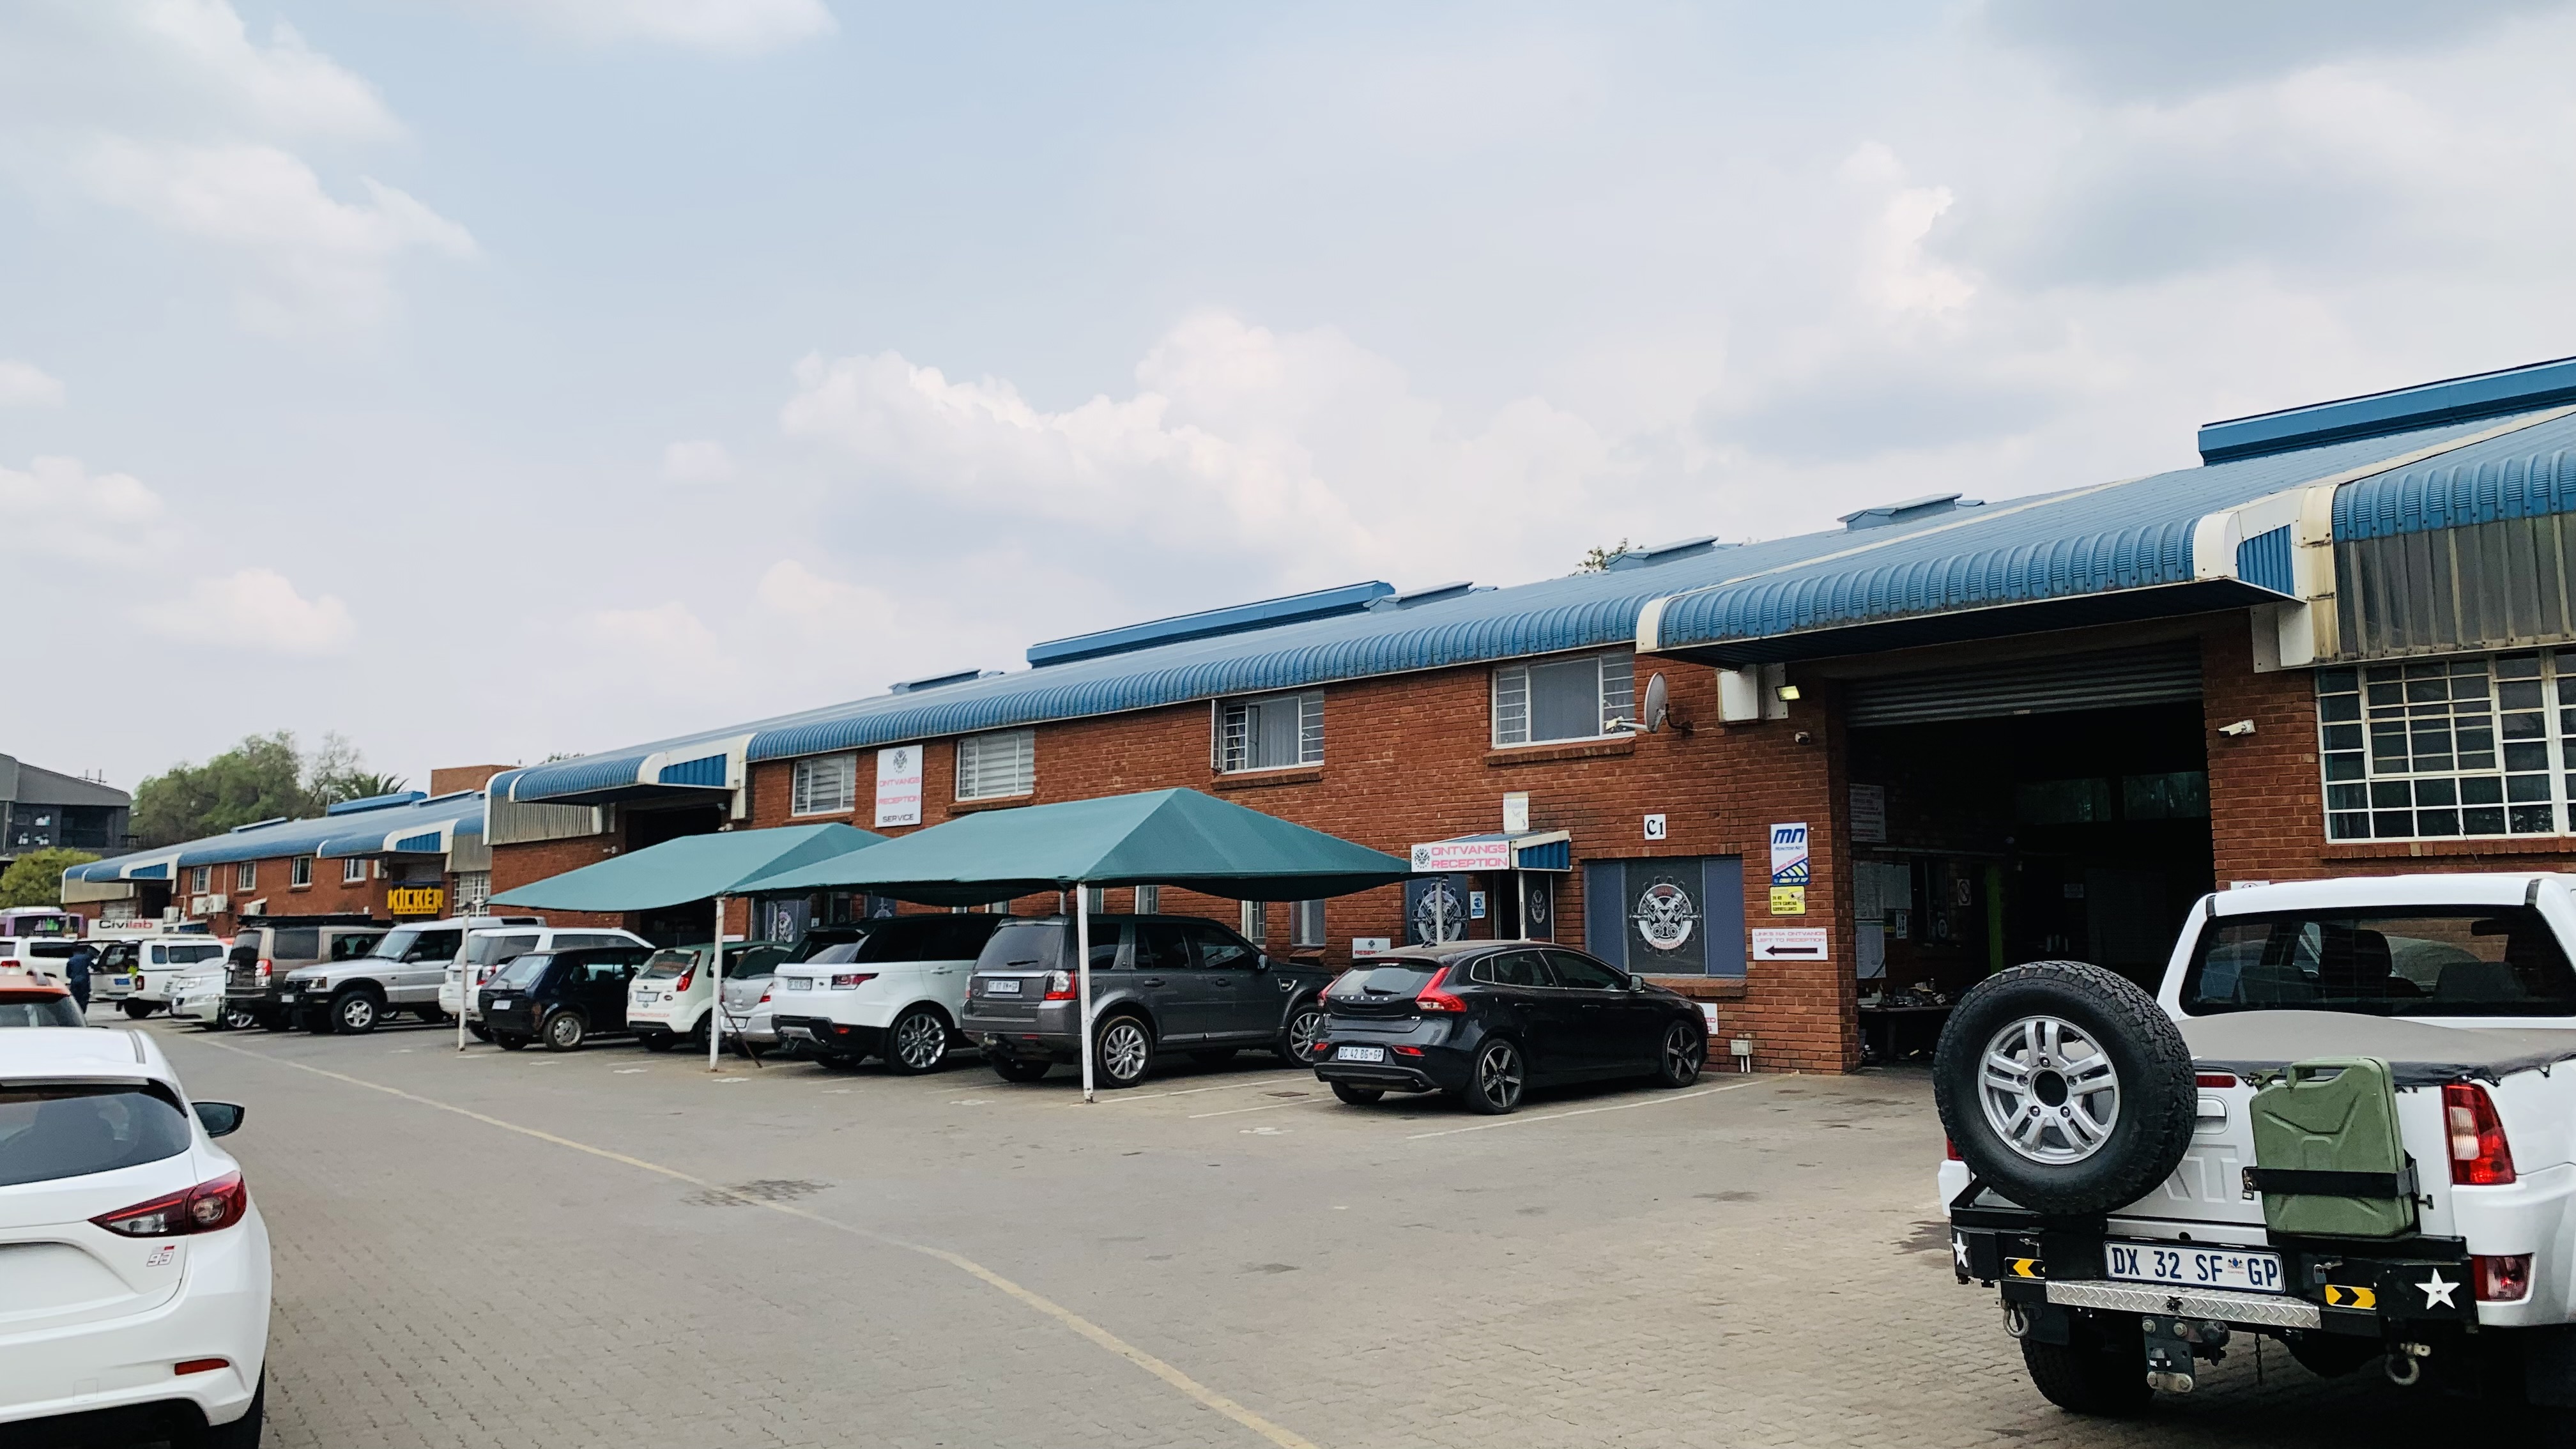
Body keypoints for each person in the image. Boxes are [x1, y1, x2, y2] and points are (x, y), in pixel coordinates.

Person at [62, 940, 95, 1015]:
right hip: (84, 981)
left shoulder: (71, 960)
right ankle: (82, 1012)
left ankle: (76, 1012)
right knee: (84, 997)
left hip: (74, 981)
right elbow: (93, 966)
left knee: (75, 997)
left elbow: (68, 973)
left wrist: (73, 977)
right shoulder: (86, 958)